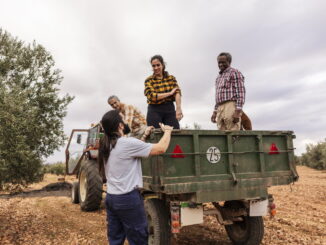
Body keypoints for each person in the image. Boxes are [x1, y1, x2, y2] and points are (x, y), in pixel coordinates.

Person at [99, 110, 173, 245]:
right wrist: (168, 131)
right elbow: (160, 148)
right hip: (127, 199)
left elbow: (131, 151)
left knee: (115, 239)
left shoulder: (106, 145)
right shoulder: (126, 143)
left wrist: (144, 135)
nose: (126, 121)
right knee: (138, 239)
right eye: (123, 119)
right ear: (120, 125)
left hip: (111, 198)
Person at [144, 55, 183, 129]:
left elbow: (177, 92)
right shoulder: (148, 80)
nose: (156, 68)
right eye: (153, 66)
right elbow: (152, 96)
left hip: (169, 109)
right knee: (155, 134)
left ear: (163, 65)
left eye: (158, 65)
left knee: (174, 132)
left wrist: (178, 109)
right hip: (154, 109)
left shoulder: (171, 78)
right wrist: (170, 93)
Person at [211, 52, 246, 130]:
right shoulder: (218, 77)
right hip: (220, 106)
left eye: (223, 62)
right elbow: (218, 96)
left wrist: (238, 111)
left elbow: (241, 92)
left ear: (229, 62)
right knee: (221, 134)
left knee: (233, 132)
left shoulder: (235, 72)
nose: (220, 64)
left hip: (230, 105)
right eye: (219, 62)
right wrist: (215, 111)